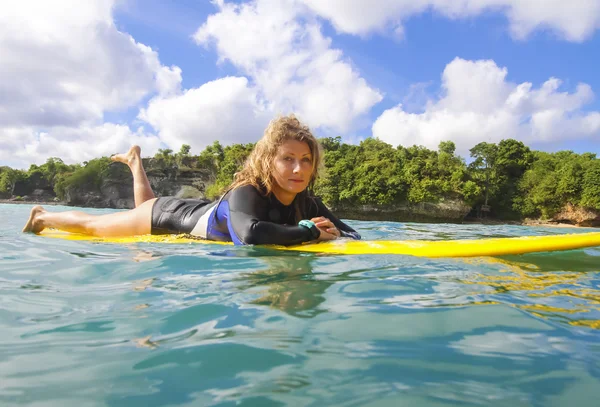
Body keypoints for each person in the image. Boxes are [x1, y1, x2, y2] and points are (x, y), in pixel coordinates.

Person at [22, 115, 361, 246]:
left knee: (141, 204)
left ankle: (135, 162)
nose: (298, 169)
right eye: (287, 159)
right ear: (268, 161)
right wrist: (309, 232)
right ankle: (43, 216)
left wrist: (331, 232)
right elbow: (250, 235)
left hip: (197, 211)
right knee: (97, 227)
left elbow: (352, 233)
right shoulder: (247, 193)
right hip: (165, 217)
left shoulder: (308, 201)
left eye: (305, 160)